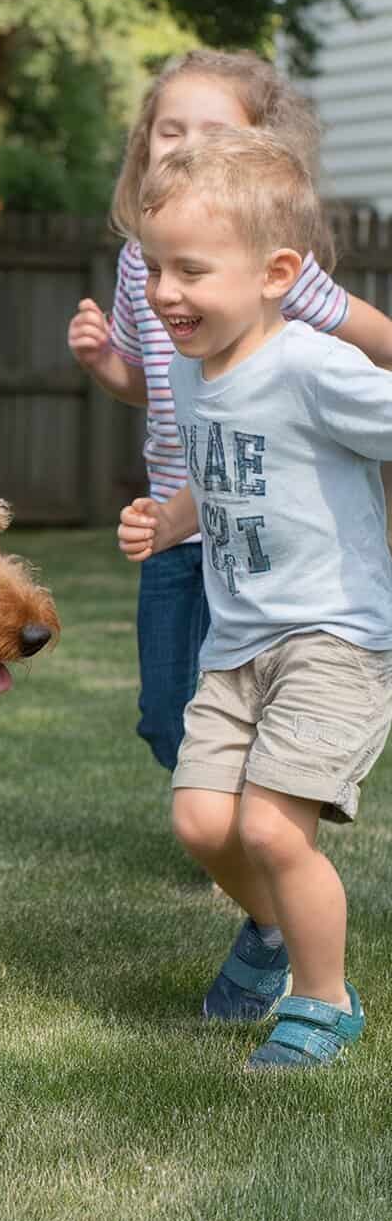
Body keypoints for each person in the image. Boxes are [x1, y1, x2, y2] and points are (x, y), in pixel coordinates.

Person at [118, 127, 392, 1069]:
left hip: (332, 639)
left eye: (190, 271)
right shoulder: (196, 378)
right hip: (235, 647)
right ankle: (280, 936)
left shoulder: (315, 366)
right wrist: (172, 520)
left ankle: (324, 1003)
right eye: (155, 269)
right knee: (202, 822)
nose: (163, 293)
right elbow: (221, 472)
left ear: (277, 272)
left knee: (274, 827)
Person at [68, 49, 392, 777]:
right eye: (169, 129)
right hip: (184, 511)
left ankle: (266, 812)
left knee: (257, 689)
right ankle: (228, 807)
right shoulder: (139, 265)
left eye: (211, 132)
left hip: (269, 519)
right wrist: (101, 364)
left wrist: (338, 331)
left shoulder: (275, 273)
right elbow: (153, 383)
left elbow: (374, 349)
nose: (184, 147)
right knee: (164, 712)